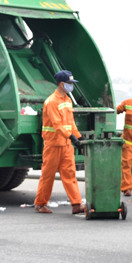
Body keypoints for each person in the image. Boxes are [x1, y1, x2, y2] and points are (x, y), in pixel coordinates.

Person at [34, 70, 86, 214]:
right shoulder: (51, 102)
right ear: (62, 84)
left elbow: (71, 123)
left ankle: (77, 204)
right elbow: (57, 125)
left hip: (66, 145)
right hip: (53, 145)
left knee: (70, 174)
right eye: (70, 84)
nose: (72, 86)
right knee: (48, 175)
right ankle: (40, 204)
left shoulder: (68, 100)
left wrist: (79, 137)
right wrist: (72, 137)